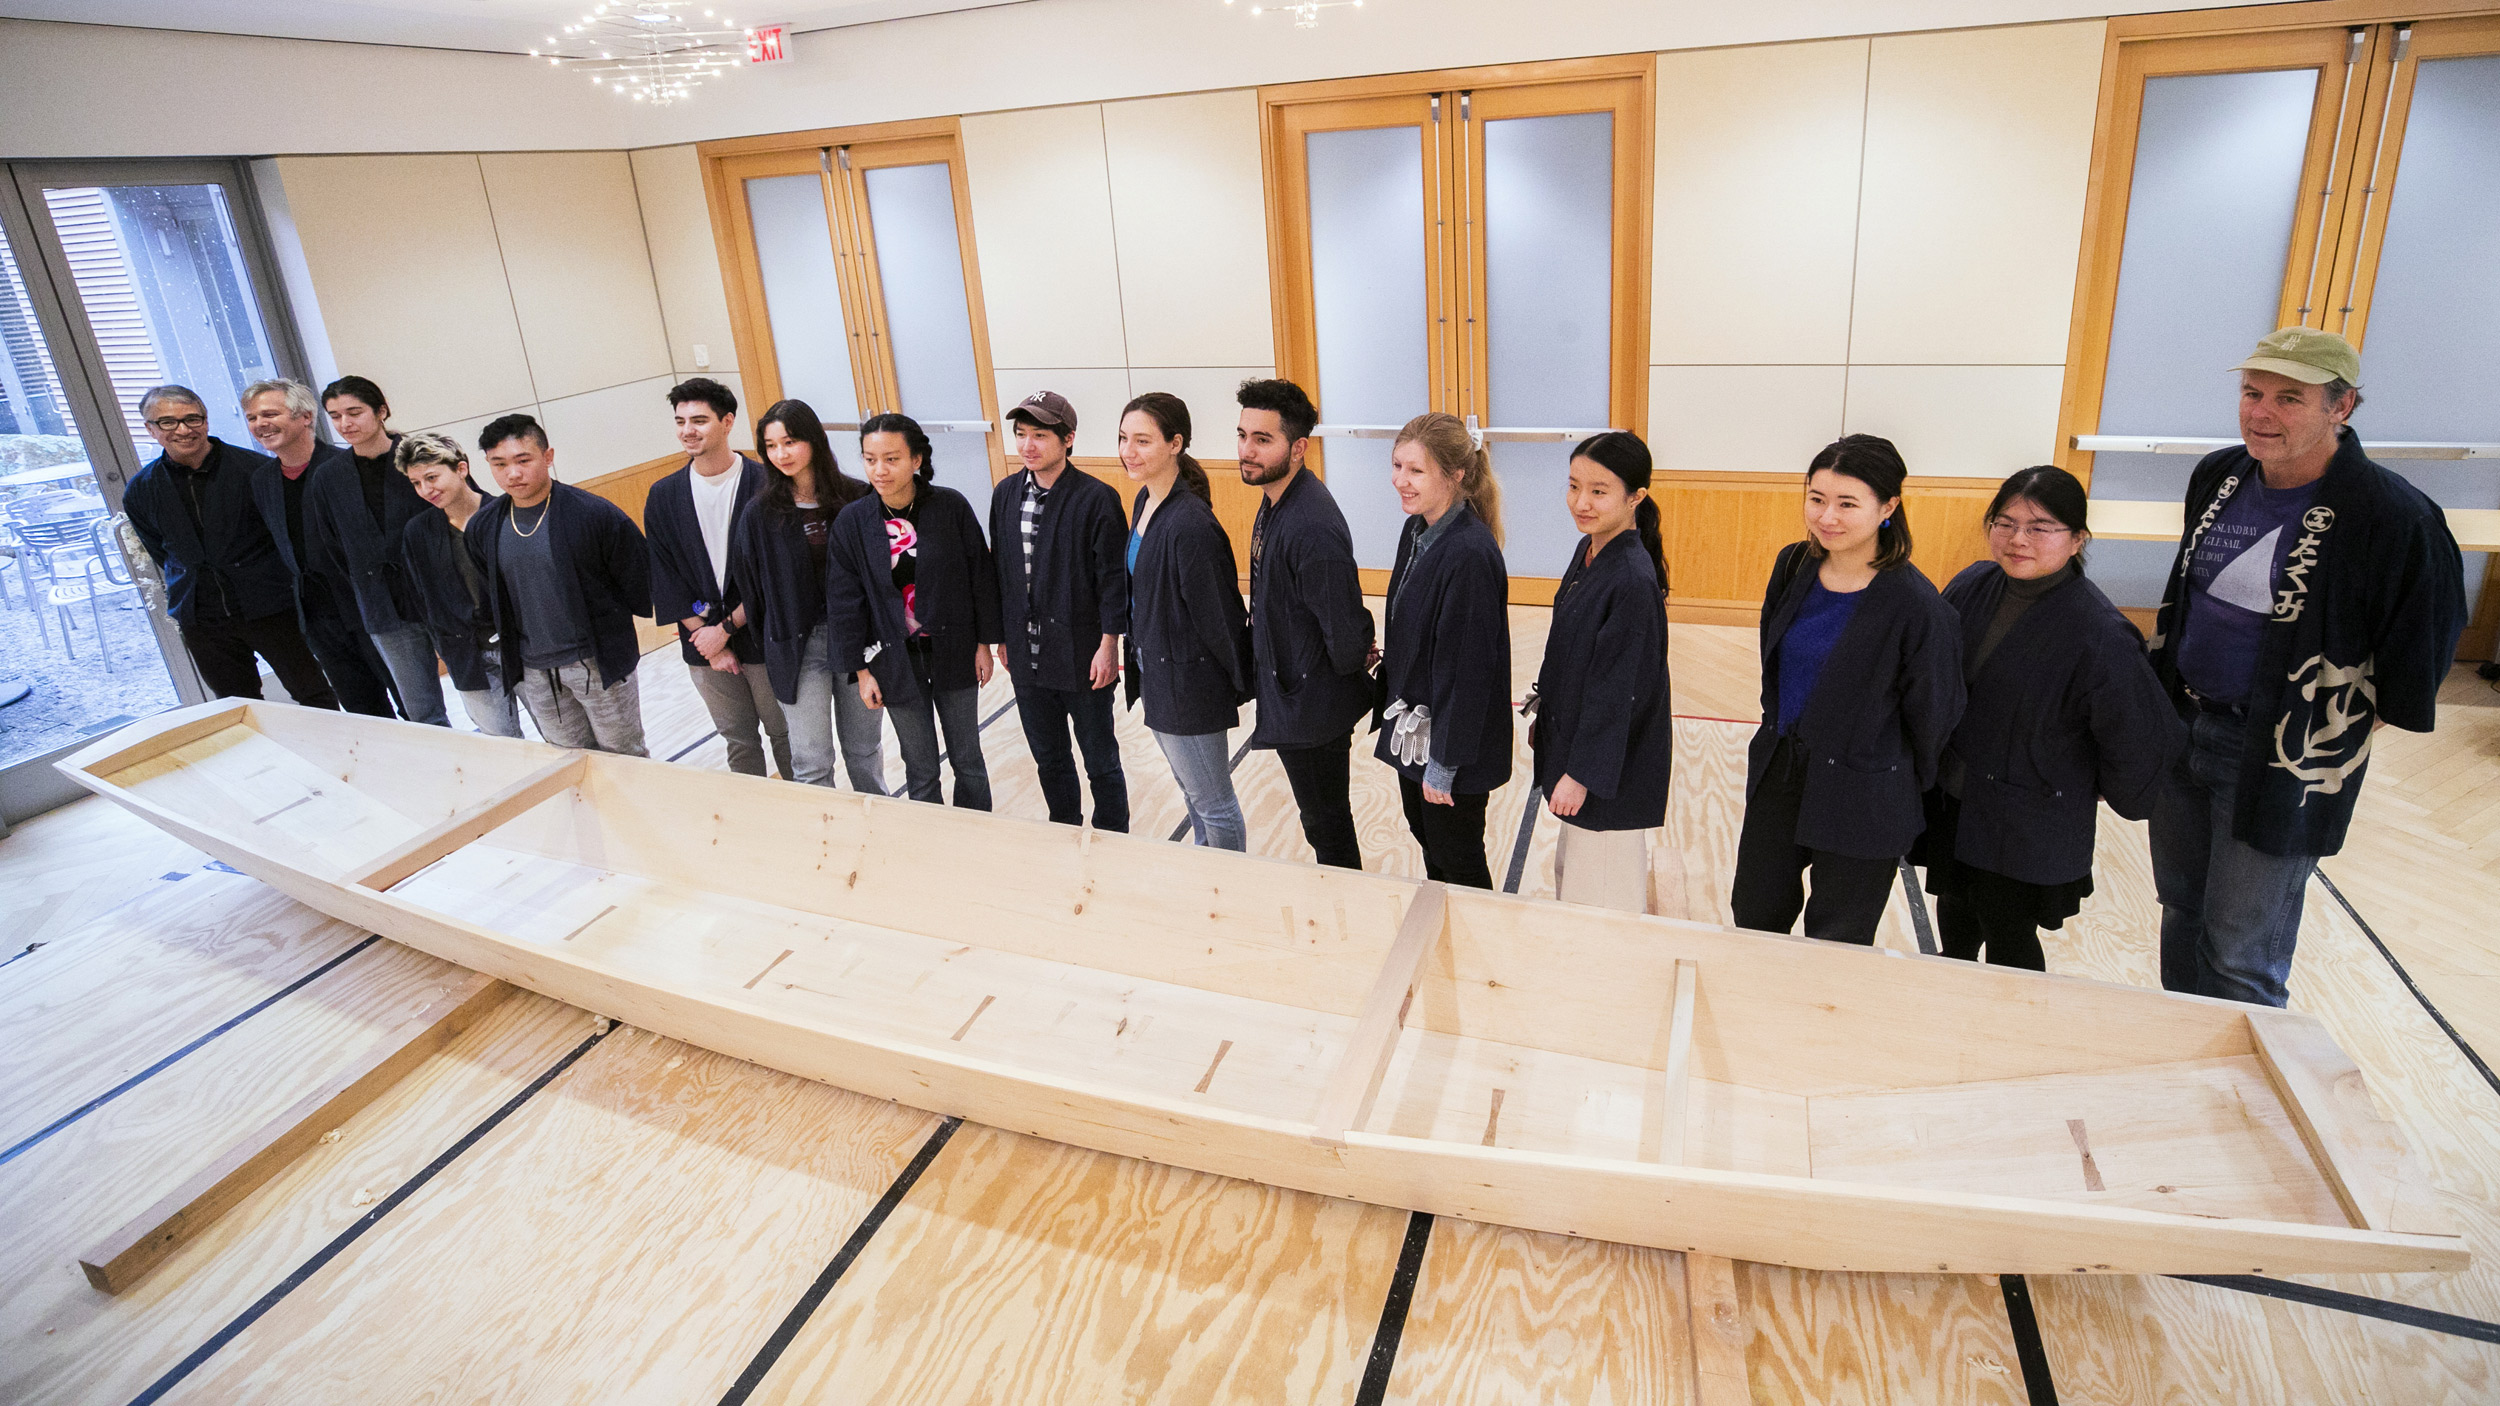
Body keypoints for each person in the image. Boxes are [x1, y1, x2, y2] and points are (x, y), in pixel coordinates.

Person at [2147, 327, 2466, 1007]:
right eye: (2251, 392)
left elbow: (2422, 646)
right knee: (2182, 911)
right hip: (2184, 727)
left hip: (2278, 755)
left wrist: (2329, 732)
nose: (2260, 412)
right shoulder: (2219, 474)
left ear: (2341, 407)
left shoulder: (2392, 514)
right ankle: (2183, 1066)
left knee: (2239, 950)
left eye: (2290, 398)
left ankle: (2246, 1100)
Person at [1914, 466, 2181, 970]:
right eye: (2005, 522)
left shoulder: (2099, 631)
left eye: (2040, 527)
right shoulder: (1974, 582)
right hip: (1956, 799)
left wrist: (2100, 780)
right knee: (1955, 917)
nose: (2018, 539)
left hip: (2026, 816)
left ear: (2078, 538)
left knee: (2008, 934)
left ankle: (2017, 1037)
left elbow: (2141, 735)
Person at [1730, 434, 1963, 945]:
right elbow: (1776, 671)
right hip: (1783, 772)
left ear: (1889, 507)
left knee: (1838, 936)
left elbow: (1934, 716)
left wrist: (1887, 773)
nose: (1826, 517)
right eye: (1816, 499)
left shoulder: (1918, 607)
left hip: (1867, 788)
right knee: (1754, 914)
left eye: (1847, 504)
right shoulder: (1793, 566)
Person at [122, 384, 338, 708]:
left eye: (193, 419)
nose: (183, 430)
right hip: (201, 617)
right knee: (236, 706)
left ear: (206, 422)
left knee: (312, 691)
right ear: (151, 430)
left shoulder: (256, 470)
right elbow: (162, 553)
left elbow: (285, 538)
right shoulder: (140, 490)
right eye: (168, 422)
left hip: (271, 606)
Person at [827, 413, 1000, 808]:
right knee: (920, 765)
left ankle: (980, 835)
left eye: (892, 459)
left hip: (954, 649)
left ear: (917, 459)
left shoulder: (950, 506)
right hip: (892, 659)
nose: (879, 470)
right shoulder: (853, 522)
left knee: (967, 758)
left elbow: (980, 576)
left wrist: (983, 644)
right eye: (870, 459)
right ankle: (931, 846)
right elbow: (844, 601)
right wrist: (861, 670)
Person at [1532, 431, 1672, 912]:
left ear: (1636, 497)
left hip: (1608, 768)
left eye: (1598, 491)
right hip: (1579, 747)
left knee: (1602, 895)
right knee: (1576, 879)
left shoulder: (1631, 578)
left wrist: (1581, 774)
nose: (1581, 502)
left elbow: (1620, 691)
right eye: (1574, 486)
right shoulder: (1592, 549)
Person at [1239, 377, 1374, 869]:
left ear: (1297, 447)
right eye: (1242, 435)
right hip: (1294, 696)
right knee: (1321, 820)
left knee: (1327, 823)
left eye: (1262, 439)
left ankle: (1349, 914)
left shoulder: (1310, 524)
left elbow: (1343, 631)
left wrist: (1310, 675)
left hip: (1313, 709)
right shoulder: (1275, 498)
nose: (1246, 451)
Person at [465, 414, 652, 755]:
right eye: (499, 464)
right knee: (568, 759)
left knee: (626, 757)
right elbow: (490, 595)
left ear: (547, 457)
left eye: (523, 460)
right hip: (533, 669)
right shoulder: (484, 526)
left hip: (596, 662)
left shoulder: (594, 515)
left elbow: (638, 582)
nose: (513, 473)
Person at [1376, 412, 1511, 888]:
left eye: (1415, 471)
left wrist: (1443, 766)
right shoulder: (1417, 529)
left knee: (1457, 858)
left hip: (1450, 745)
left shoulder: (1469, 553)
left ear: (1456, 475)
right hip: (1416, 729)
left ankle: (1480, 955)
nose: (1400, 481)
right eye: (1397, 466)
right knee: (1428, 838)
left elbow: (1468, 672)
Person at [989, 391, 1130, 831]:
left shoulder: (1096, 498)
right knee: (1049, 759)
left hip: (1083, 656)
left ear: (1068, 439)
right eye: (1021, 434)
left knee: (1100, 760)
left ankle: (1113, 837)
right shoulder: (1006, 494)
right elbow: (1002, 571)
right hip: (1027, 659)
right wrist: (1002, 638)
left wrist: (1109, 645)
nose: (1028, 445)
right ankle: (1064, 829)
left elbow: (1113, 579)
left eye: (1040, 435)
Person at [731, 399, 885, 792]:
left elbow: (879, 576)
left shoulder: (858, 496)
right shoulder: (759, 513)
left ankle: (883, 833)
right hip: (798, 649)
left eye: (790, 441)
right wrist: (776, 641)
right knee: (812, 760)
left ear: (814, 441)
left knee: (864, 753)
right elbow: (752, 589)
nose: (781, 454)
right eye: (771, 445)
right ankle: (823, 844)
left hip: (857, 643)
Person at [1119, 392, 1251, 850]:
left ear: (1175, 444)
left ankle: (1227, 889)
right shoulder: (1145, 501)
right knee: (1194, 797)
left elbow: (1220, 615)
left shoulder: (1191, 524)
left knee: (1213, 802)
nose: (1128, 452)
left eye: (1142, 441)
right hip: (1158, 674)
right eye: (1122, 439)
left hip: (1189, 686)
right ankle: (1205, 879)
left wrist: (1236, 683)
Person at [646, 377, 792, 778]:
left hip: (763, 633)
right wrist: (709, 641)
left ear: (727, 422)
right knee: (738, 740)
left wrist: (726, 629)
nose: (687, 431)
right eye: (680, 421)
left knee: (785, 735)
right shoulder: (663, 494)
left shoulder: (767, 484)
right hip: (702, 642)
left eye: (699, 420)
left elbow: (776, 574)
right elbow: (664, 574)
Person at [241, 378, 399, 716]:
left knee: (411, 702)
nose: (260, 424)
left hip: (367, 605)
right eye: (252, 418)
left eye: (270, 414)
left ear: (306, 417)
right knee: (363, 710)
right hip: (317, 614)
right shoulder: (262, 479)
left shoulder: (345, 467)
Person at [308, 375, 448, 726]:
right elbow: (334, 546)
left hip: (442, 594)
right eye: (335, 416)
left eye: (354, 412)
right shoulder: (328, 476)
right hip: (382, 605)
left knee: (487, 691)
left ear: (381, 411)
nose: (345, 423)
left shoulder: (425, 453)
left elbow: (464, 515)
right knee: (421, 711)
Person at [393, 432, 522, 737]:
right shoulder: (418, 532)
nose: (426, 489)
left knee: (557, 735)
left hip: (522, 645)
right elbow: (422, 598)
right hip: (466, 651)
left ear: (461, 469)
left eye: (432, 477)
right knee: (501, 743)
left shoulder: (506, 514)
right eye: (416, 483)